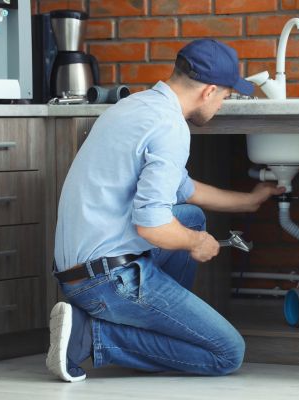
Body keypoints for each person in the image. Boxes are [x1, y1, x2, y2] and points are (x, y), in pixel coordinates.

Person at [46, 39, 285, 382]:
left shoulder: (137, 106)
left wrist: (249, 200)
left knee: (190, 216)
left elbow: (184, 189)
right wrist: (195, 243)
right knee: (227, 353)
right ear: (209, 91)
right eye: (225, 97)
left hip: (78, 270)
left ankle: (154, 326)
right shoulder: (171, 128)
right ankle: (90, 336)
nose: (222, 104)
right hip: (106, 281)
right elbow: (152, 227)